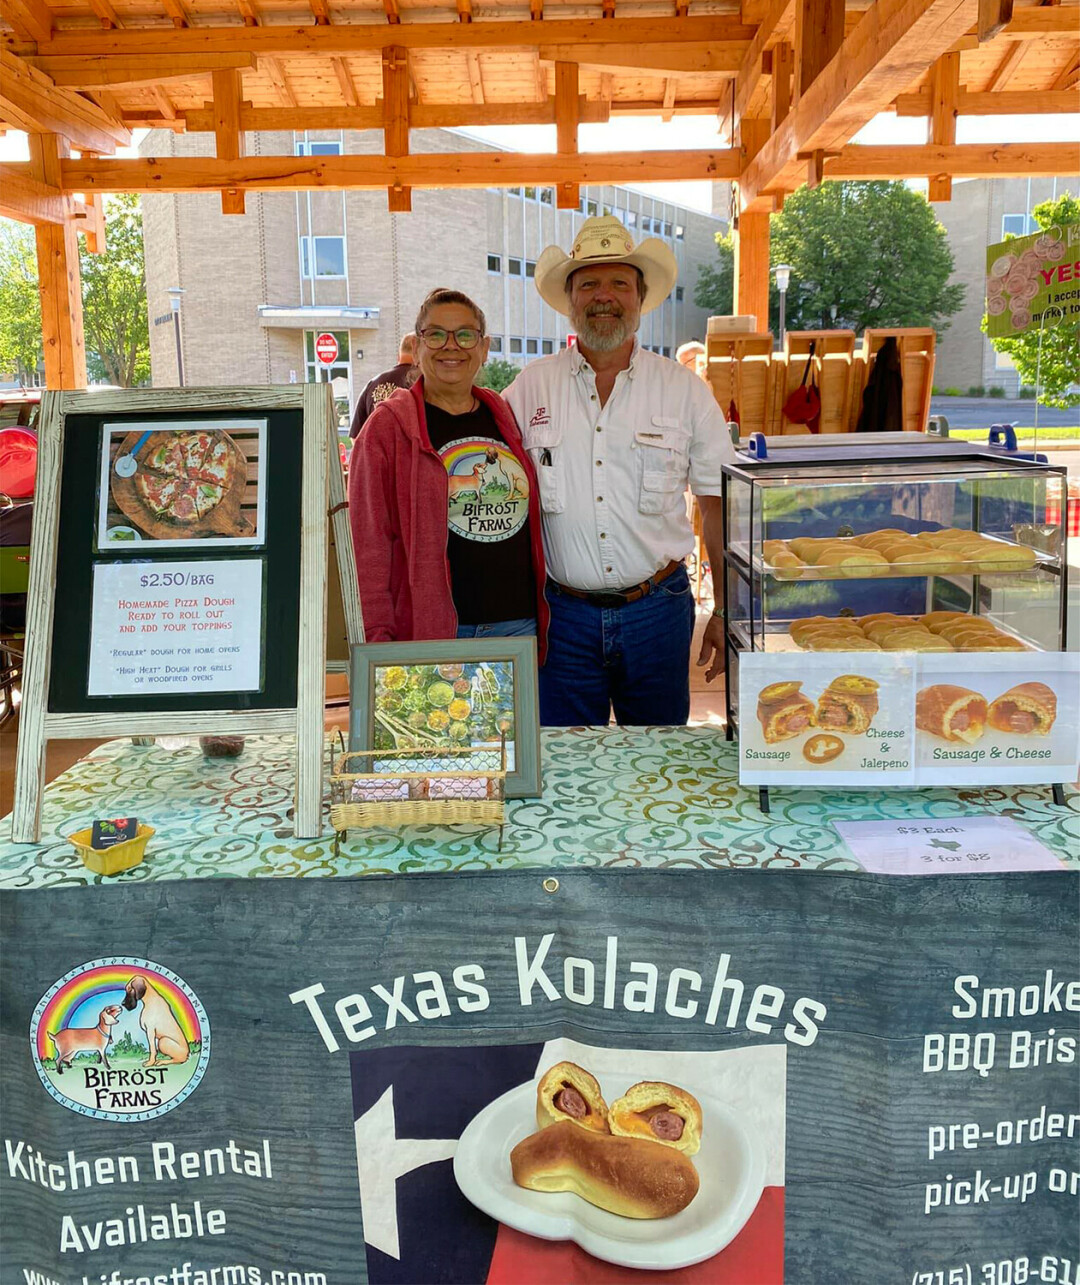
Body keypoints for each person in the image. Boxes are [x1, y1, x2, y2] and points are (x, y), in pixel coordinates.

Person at [503, 215, 735, 727]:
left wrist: (724, 609)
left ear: (639, 298)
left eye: (618, 284)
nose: (603, 296)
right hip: (561, 617)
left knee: (657, 766)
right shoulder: (528, 390)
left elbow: (717, 505)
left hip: (659, 612)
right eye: (588, 283)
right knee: (563, 763)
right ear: (570, 300)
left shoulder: (685, 391)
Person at [349, 288, 548, 653]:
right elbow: (368, 546)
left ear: (484, 347)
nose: (451, 346)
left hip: (517, 628)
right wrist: (376, 640)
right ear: (419, 347)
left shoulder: (504, 417)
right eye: (436, 334)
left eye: (465, 334)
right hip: (436, 633)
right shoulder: (386, 429)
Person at [349, 332, 419, 438]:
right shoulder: (425, 383)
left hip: (375, 452)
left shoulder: (373, 384)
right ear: (420, 354)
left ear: (398, 356)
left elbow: (356, 436)